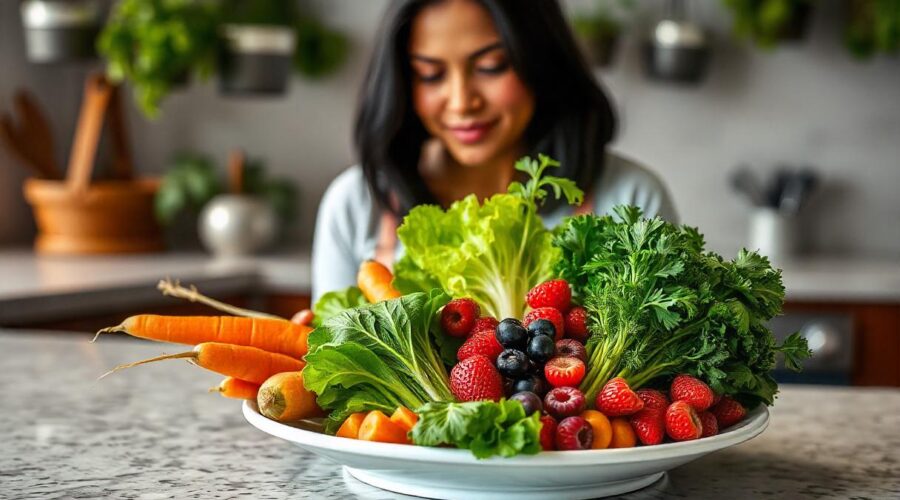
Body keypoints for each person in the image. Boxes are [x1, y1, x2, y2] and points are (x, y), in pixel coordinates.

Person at [309, 0, 678, 304]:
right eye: (430, 74)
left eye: (490, 67)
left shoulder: (632, 197)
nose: (462, 101)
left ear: (542, 62)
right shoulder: (355, 204)